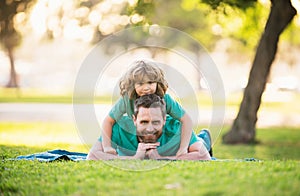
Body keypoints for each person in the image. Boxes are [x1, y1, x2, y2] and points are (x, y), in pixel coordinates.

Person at [101, 60, 194, 156]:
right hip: (140, 137)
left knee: (196, 145)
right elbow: (108, 121)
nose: (146, 88)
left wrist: (183, 148)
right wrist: (107, 146)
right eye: (140, 84)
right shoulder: (127, 100)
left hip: (160, 135)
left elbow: (186, 119)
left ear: (157, 83)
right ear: (132, 85)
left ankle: (203, 139)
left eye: (150, 82)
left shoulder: (166, 99)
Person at [87, 94, 211, 160]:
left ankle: (204, 136)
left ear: (164, 120)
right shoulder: (120, 127)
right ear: (134, 120)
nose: (150, 129)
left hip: (198, 142)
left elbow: (204, 156)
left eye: (156, 122)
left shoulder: (176, 127)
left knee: (201, 142)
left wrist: (162, 159)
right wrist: (134, 158)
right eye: (144, 122)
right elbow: (92, 156)